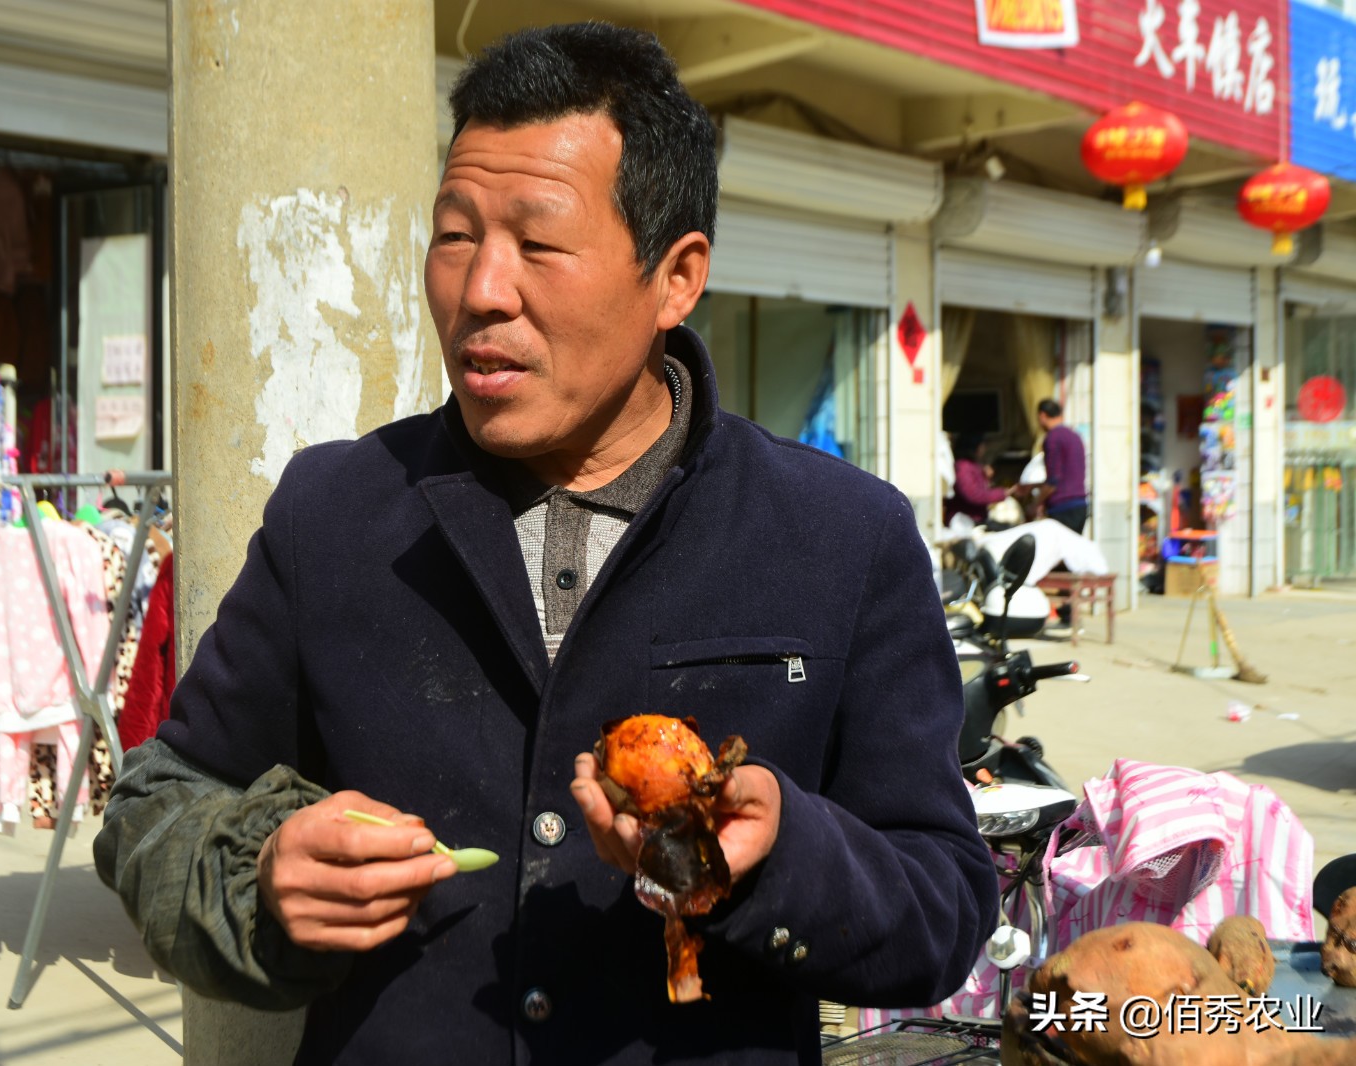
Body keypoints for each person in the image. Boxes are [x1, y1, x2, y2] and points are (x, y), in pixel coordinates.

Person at [94, 22, 996, 1065]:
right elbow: (157, 804)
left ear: (676, 277)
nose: (482, 289)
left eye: (538, 243)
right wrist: (256, 873)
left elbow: (943, 901)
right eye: (455, 234)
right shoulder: (334, 512)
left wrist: (777, 857)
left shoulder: (841, 536)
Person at [944, 431, 1020, 527]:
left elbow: (980, 488)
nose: (984, 448)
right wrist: (1002, 493)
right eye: (982, 445)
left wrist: (985, 477)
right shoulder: (963, 467)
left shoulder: (972, 465)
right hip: (965, 522)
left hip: (976, 519)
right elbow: (974, 495)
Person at [1036, 398, 1088, 534]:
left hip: (1063, 508)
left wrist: (1035, 503)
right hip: (1080, 505)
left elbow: (1053, 480)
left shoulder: (1053, 438)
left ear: (1042, 416)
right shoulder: (1075, 436)